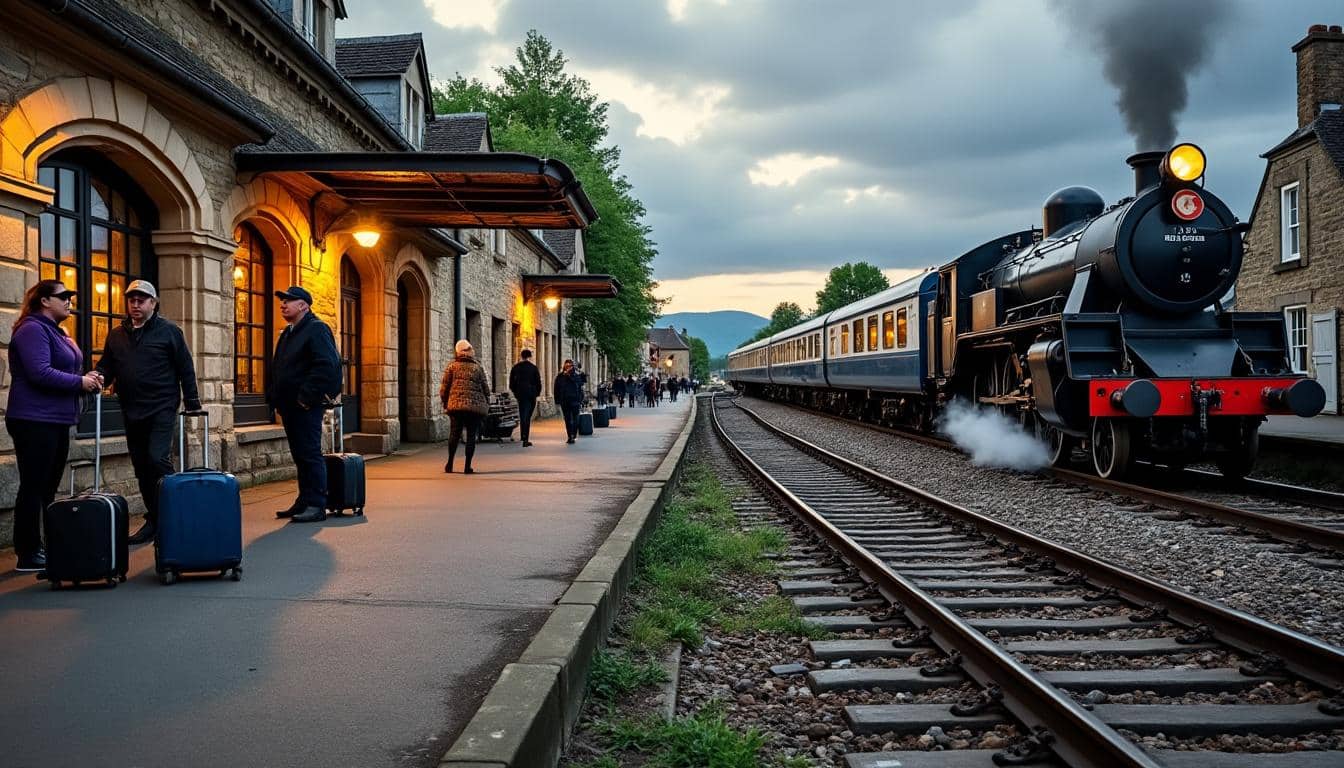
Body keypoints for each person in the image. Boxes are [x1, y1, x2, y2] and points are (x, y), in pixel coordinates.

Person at [94, 280, 201, 544]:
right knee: (141, 467)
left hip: (162, 406)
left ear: (153, 303)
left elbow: (185, 366)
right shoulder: (117, 335)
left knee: (157, 459)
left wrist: (193, 400)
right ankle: (154, 519)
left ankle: (172, 515)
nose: (136, 304)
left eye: (142, 300)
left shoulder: (169, 332)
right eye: (132, 300)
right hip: (132, 408)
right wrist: (97, 377)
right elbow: (107, 365)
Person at [5, 280, 103, 572]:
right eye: (63, 296)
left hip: (56, 419)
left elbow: (64, 369)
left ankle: (45, 546)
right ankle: (27, 551)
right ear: (45, 301)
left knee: (47, 488)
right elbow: (40, 373)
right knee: (33, 486)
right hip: (34, 419)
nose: (69, 301)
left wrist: (88, 376)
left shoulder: (57, 332)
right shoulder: (32, 329)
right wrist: (80, 382)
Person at [266, 286, 341, 523]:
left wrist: (306, 398)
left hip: (306, 405)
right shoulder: (289, 332)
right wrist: (275, 398)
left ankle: (317, 504)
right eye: (282, 300)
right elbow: (280, 367)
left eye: (289, 300)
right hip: (289, 405)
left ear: (304, 305)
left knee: (309, 454)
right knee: (300, 454)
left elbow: (326, 365)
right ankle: (304, 500)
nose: (283, 304)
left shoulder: (316, 329)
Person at [508, 348, 542, 447]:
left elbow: (511, 383)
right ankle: (525, 438)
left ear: (521, 356)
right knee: (527, 415)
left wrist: (515, 392)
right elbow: (538, 382)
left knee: (523, 414)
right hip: (531, 394)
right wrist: (537, 393)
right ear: (530, 356)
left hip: (521, 394)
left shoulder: (516, 368)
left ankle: (524, 435)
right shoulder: (533, 368)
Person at [554, 359, 584, 444]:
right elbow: (556, 389)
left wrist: (580, 400)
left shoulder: (576, 376)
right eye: (566, 366)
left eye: (569, 366)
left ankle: (573, 434)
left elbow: (580, 386)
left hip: (575, 400)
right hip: (565, 401)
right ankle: (570, 436)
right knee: (567, 419)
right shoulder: (560, 376)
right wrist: (557, 400)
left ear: (572, 367)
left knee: (575, 418)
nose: (568, 368)